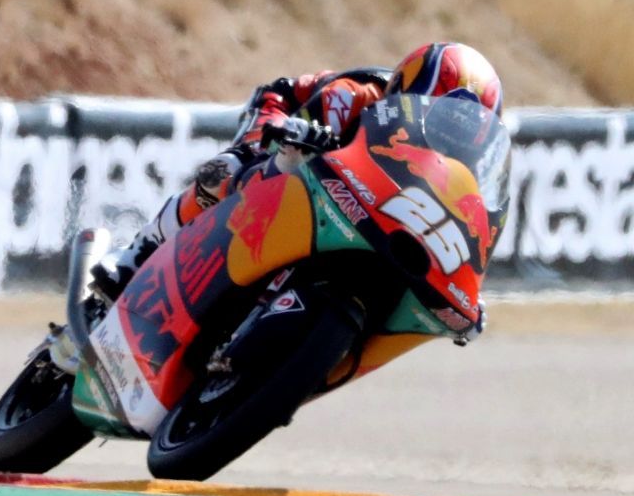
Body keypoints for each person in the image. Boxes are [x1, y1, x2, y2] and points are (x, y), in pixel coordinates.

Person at [90, 41, 504, 338]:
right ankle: (136, 256)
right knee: (235, 170)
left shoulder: (449, 171)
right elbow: (292, 133)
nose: (445, 136)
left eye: (460, 131)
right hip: (285, 112)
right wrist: (298, 134)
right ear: (408, 92)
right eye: (442, 118)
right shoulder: (357, 97)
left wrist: (463, 288)